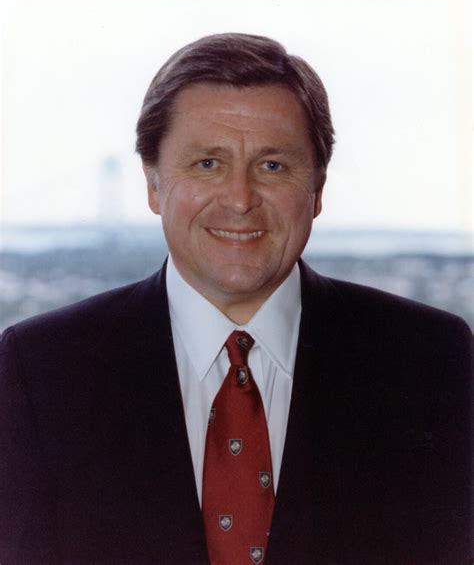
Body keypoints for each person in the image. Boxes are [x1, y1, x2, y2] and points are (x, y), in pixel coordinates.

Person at [0, 33, 471, 565]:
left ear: (317, 190)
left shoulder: (432, 361)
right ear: (153, 184)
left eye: (272, 166)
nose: (241, 200)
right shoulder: (40, 371)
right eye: (207, 164)